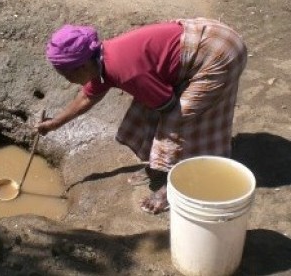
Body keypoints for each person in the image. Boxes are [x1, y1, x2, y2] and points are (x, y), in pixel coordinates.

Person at [36, 18, 247, 214]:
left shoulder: (124, 69)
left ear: (81, 65)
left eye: (67, 75)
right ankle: (162, 166)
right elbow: (86, 98)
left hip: (219, 51)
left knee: (176, 119)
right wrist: (53, 124)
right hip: (202, 43)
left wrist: (166, 147)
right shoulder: (100, 60)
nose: (68, 81)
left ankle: (172, 187)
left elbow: (168, 106)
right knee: (147, 104)